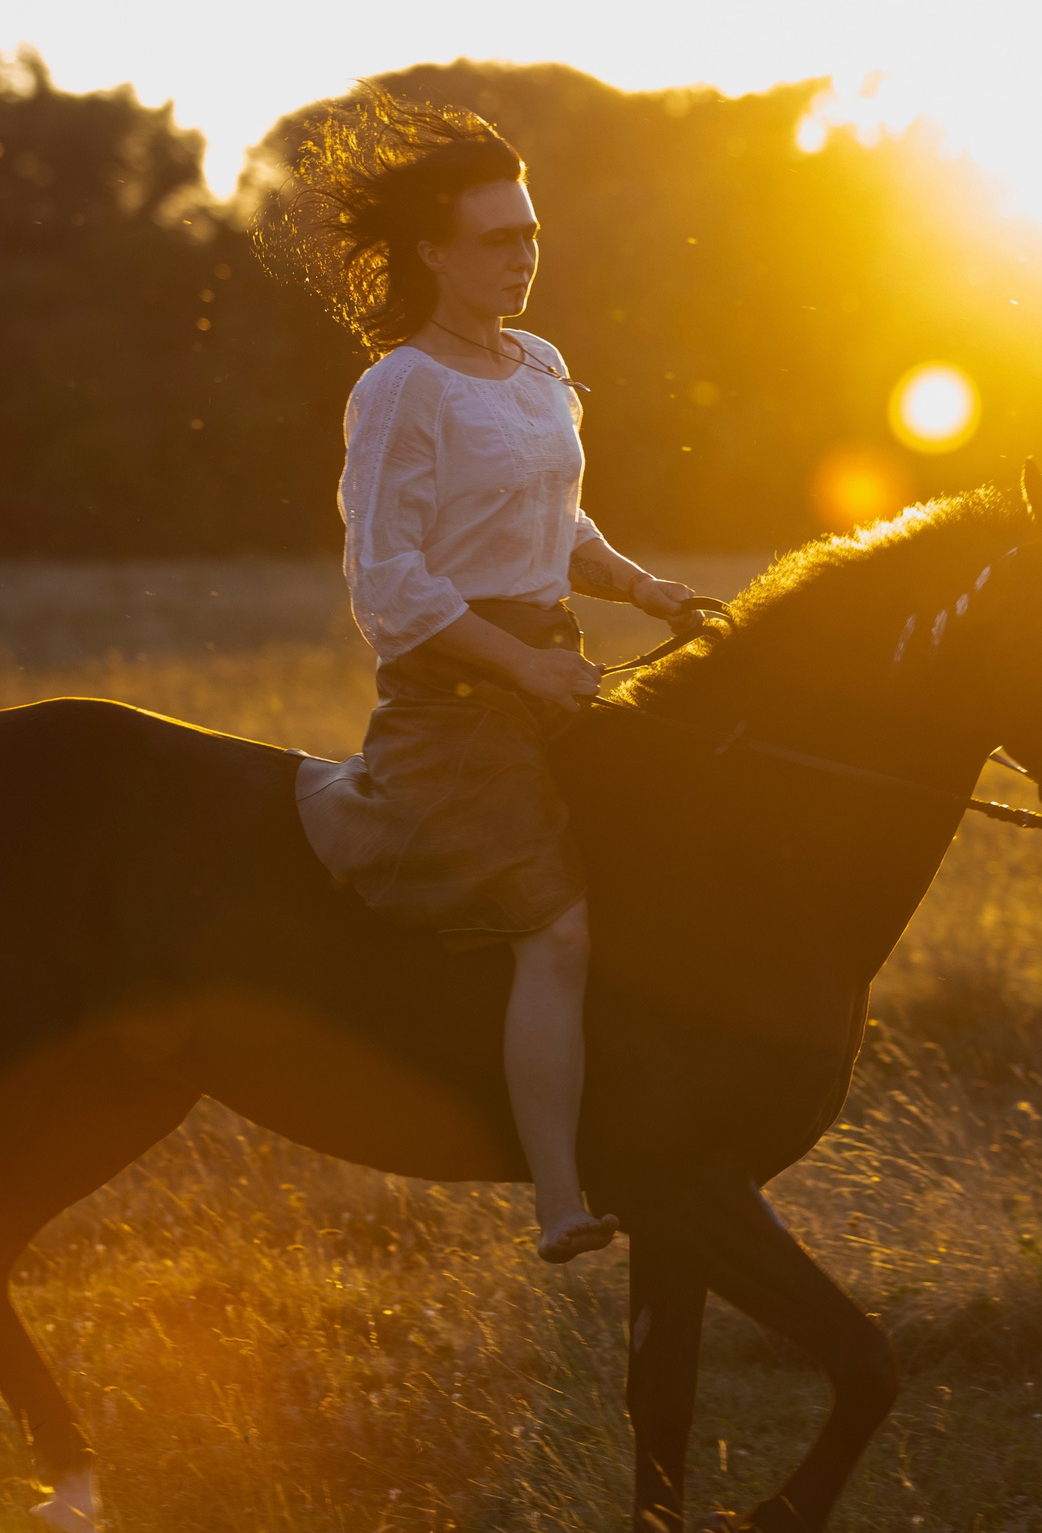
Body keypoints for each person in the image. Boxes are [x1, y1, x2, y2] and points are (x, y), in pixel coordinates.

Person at [261, 92, 695, 1263]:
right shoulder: (402, 385)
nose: (521, 258)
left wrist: (653, 593)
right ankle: (560, 1195)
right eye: (497, 240)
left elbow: (559, 523)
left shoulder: (538, 364)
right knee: (555, 934)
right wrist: (518, 667)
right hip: (453, 708)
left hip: (552, 669)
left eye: (531, 235)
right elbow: (388, 581)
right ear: (431, 251)